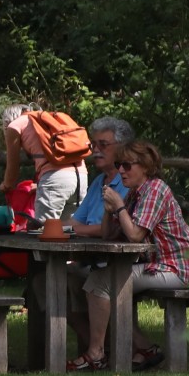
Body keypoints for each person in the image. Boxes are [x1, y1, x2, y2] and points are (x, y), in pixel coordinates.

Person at [70, 141, 189, 371]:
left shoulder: (155, 190)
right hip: (159, 265)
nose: (121, 170)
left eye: (127, 165)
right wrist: (108, 209)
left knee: (102, 282)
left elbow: (134, 235)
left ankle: (97, 353)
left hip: (179, 267)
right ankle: (143, 348)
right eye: (119, 164)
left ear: (146, 167)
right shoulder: (135, 193)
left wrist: (120, 206)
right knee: (94, 278)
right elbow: (108, 236)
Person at [64, 117, 135, 350]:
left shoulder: (129, 182)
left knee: (79, 280)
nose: (95, 151)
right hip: (92, 258)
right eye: (93, 145)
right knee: (49, 283)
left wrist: (79, 230)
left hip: (119, 261)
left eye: (103, 145)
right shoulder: (98, 182)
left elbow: (115, 229)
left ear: (122, 148)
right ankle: (97, 349)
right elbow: (75, 222)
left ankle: (102, 352)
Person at [1, 104, 87, 224]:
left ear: (7, 120)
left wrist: (6, 185)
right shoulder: (47, 119)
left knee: (45, 231)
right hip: (81, 177)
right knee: (69, 231)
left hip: (55, 178)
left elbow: (12, 168)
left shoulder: (15, 125)